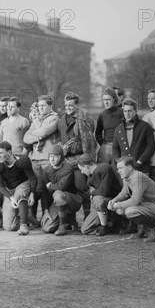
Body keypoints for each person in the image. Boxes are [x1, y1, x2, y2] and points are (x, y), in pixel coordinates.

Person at [57, 92, 96, 221]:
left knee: (82, 188)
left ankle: (87, 218)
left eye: (71, 105)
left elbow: (87, 142)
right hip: (66, 160)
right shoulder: (62, 119)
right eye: (66, 105)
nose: (68, 107)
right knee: (68, 189)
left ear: (77, 105)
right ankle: (70, 221)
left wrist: (86, 161)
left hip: (79, 159)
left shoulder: (82, 118)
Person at [108, 156, 155, 242]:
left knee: (130, 211)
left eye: (121, 168)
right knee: (120, 210)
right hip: (146, 205)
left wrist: (118, 205)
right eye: (118, 169)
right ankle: (144, 228)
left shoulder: (137, 177)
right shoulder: (127, 177)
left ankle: (154, 227)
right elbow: (124, 193)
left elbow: (135, 201)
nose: (119, 171)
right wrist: (114, 200)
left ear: (129, 167)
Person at [23, 95, 60, 222]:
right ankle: (32, 217)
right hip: (35, 159)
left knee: (47, 188)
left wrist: (35, 133)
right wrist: (37, 137)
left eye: (43, 105)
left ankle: (50, 218)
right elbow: (25, 138)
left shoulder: (54, 118)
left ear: (50, 106)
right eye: (39, 106)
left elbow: (45, 132)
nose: (41, 108)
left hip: (47, 159)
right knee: (35, 188)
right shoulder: (36, 120)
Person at [0, 141, 37, 235]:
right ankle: (27, 215)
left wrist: (32, 193)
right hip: (9, 189)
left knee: (20, 193)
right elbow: (1, 186)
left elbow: (32, 178)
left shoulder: (23, 161)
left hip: (23, 184)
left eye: (1, 153)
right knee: (9, 226)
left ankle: (24, 225)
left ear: (9, 152)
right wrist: (11, 198)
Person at [41, 144, 83, 235]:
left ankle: (62, 225)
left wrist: (50, 186)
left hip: (72, 199)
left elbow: (61, 187)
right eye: (50, 156)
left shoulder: (67, 168)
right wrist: (46, 210)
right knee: (47, 227)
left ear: (61, 157)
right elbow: (44, 192)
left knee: (58, 194)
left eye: (55, 157)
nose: (52, 159)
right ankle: (67, 220)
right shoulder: (46, 170)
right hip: (57, 202)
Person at [77, 155, 123, 236]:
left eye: (81, 169)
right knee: (85, 229)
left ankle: (104, 226)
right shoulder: (90, 177)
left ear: (87, 167)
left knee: (97, 198)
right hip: (101, 208)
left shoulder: (104, 168)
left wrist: (93, 193)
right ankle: (111, 225)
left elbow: (104, 191)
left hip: (114, 200)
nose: (82, 172)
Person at [112, 98, 155, 175]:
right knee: (125, 187)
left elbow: (151, 146)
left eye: (130, 111)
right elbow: (115, 148)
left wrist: (140, 161)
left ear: (135, 111)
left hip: (142, 169)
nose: (127, 113)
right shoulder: (118, 129)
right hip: (125, 170)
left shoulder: (145, 126)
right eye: (125, 111)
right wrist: (118, 162)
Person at [95, 88, 124, 164]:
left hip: (119, 147)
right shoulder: (102, 115)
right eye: (104, 100)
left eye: (108, 99)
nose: (106, 102)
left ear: (114, 99)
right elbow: (97, 134)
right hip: (105, 148)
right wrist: (104, 144)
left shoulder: (121, 112)